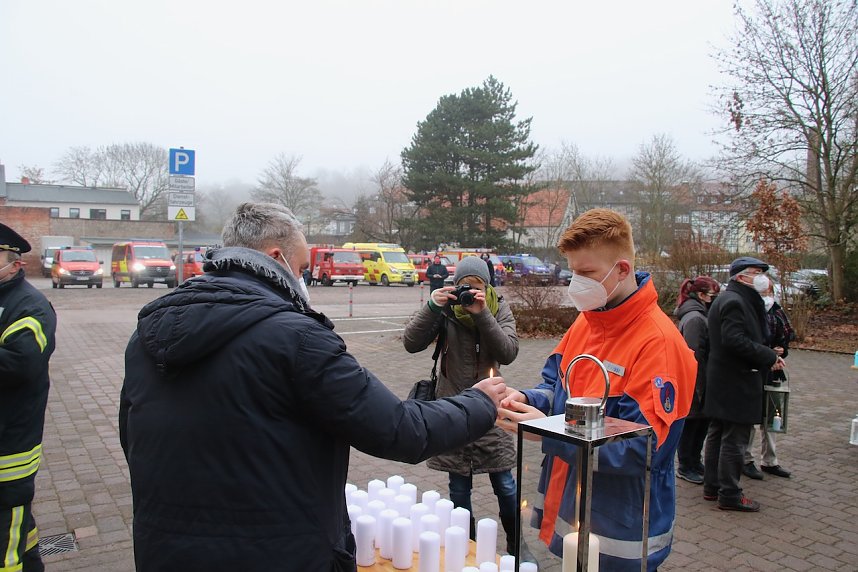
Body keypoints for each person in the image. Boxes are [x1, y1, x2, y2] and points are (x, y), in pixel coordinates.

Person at [119, 202, 508, 572]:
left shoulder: (147, 336)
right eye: (303, 266)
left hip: (164, 551)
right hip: (276, 553)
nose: (304, 277)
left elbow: (132, 439)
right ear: (276, 258)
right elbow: (398, 430)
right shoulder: (297, 338)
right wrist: (479, 402)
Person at [497, 208, 697, 571]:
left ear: (622, 269)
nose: (576, 283)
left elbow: (645, 450)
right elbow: (554, 385)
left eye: (586, 273)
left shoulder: (659, 344)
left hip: (621, 527)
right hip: (575, 512)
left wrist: (549, 431)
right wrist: (526, 400)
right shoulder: (588, 323)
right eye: (572, 271)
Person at [402, 256, 521, 554]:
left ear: (487, 286)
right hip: (453, 406)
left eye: (476, 285)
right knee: (458, 488)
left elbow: (507, 353)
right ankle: (467, 548)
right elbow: (411, 343)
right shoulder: (447, 311)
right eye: (464, 285)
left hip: (493, 409)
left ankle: (517, 544)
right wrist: (432, 306)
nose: (469, 291)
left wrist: (482, 315)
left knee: (506, 485)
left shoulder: (497, 307)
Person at [703, 257, 784, 512]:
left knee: (718, 433)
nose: (762, 277)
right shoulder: (736, 301)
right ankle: (730, 493)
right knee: (735, 439)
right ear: (740, 277)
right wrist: (768, 355)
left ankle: (712, 486)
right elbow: (734, 340)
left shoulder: (732, 299)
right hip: (736, 380)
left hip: (724, 379)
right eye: (756, 272)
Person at [0, 223, 57, 572]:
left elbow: (21, 364)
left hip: (10, 443)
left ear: (15, 264)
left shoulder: (30, 306)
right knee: (18, 528)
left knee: (6, 528)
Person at [742, 280, 794, 480]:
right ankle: (745, 459)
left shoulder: (778, 312)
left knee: (772, 417)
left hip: (774, 372)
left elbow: (786, 336)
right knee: (750, 419)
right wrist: (766, 354)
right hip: (755, 371)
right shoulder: (750, 311)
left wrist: (782, 350)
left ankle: (770, 460)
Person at [674, 275, 721, 484]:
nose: (715, 299)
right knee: (692, 425)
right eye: (713, 295)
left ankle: (694, 461)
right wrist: (699, 388)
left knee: (699, 425)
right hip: (694, 382)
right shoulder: (695, 318)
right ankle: (685, 465)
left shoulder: (698, 315)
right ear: (701, 295)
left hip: (698, 381)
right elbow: (694, 356)